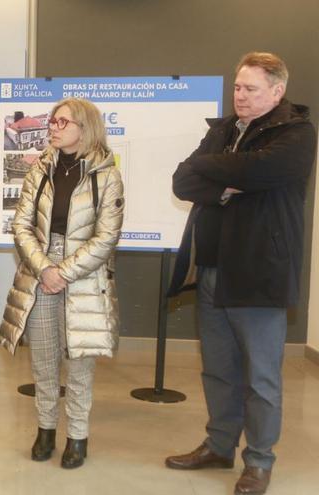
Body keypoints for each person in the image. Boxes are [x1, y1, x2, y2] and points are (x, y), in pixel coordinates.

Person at [165, 52, 316, 495]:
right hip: (212, 269)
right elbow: (181, 180)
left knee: (262, 377)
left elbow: (263, 169)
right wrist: (231, 184)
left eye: (250, 89)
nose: (241, 96)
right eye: (237, 87)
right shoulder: (223, 130)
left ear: (277, 91)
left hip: (259, 273)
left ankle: (259, 461)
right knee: (218, 369)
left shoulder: (297, 132)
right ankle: (218, 446)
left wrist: (218, 174)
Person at [0, 97, 124, 469]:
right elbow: (21, 225)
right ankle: (46, 430)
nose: (53, 127)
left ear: (84, 129)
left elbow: (106, 237)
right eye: (53, 121)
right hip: (40, 272)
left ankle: (78, 437)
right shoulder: (40, 169)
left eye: (62, 122)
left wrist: (63, 272)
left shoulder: (107, 174)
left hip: (84, 276)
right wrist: (44, 269)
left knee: (80, 364)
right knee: (44, 360)